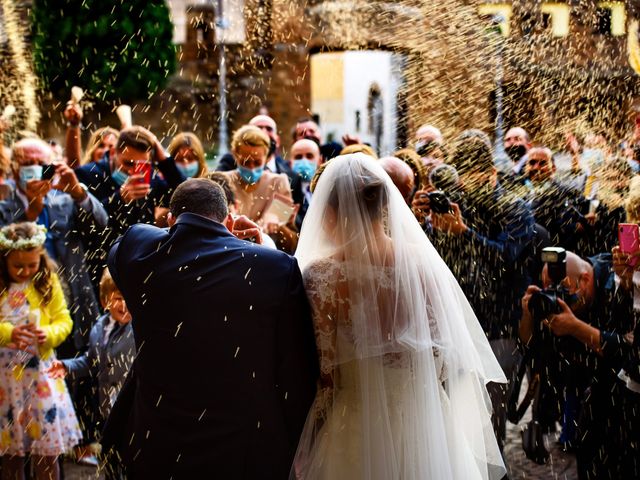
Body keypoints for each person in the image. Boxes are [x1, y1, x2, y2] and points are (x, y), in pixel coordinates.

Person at [293, 153, 506, 479]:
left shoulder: (322, 276)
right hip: (424, 426)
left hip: (353, 427)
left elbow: (325, 373)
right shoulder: (423, 264)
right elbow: (443, 357)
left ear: (334, 214)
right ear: (384, 207)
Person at [103, 178, 318, 478]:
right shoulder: (273, 268)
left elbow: (126, 241)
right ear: (228, 219)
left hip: (158, 441)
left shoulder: (137, 255)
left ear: (170, 219)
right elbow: (294, 365)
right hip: (238, 445)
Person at [411, 130, 535, 451]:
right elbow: (428, 259)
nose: (470, 186)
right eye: (465, 178)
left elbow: (507, 259)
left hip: (498, 329)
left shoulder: (515, 207)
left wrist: (464, 232)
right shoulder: (455, 205)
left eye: (477, 176)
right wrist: (421, 222)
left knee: (490, 427)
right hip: (454, 328)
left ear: (491, 172)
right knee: (453, 430)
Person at [520, 249, 640, 478]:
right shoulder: (565, 296)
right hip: (592, 405)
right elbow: (529, 344)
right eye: (551, 291)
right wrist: (529, 313)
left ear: (585, 279)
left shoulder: (618, 281)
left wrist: (575, 327)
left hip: (625, 409)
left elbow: (629, 351)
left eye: (565, 290)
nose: (559, 298)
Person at [0, 222, 82, 480]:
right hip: (5, 380)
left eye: (31, 265)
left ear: (40, 259)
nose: (25, 271)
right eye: (18, 266)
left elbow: (64, 320)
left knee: (46, 454)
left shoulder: (46, 281)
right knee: (10, 454)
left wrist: (49, 334)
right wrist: (8, 333)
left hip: (40, 379)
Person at [48, 268, 134, 480]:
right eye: (118, 298)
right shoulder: (99, 327)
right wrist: (67, 366)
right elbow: (91, 361)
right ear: (105, 301)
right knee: (110, 458)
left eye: (129, 299)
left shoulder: (138, 329)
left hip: (132, 409)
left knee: (131, 459)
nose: (124, 305)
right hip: (106, 409)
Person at [221, 125, 298, 252]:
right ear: (235, 155)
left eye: (257, 162)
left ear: (266, 157)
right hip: (231, 251)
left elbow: (291, 240)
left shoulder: (279, 182)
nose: (251, 168)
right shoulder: (223, 181)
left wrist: (277, 225)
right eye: (245, 162)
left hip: (270, 254)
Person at [290, 138, 321, 228]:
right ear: (291, 161)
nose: (304, 161)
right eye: (298, 157)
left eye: (309, 156)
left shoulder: (328, 188)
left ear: (320, 160)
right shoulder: (284, 188)